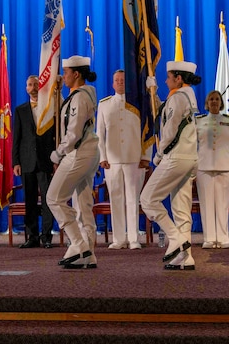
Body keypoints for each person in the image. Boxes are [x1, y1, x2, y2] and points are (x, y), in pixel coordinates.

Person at [140, 60, 201, 271]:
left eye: (168, 77)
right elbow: (167, 114)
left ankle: (175, 239)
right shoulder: (187, 96)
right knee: (181, 210)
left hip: (175, 157)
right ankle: (185, 257)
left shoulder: (178, 98)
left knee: (147, 199)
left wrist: (158, 155)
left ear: (179, 78)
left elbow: (169, 130)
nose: (166, 80)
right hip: (189, 157)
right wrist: (154, 93)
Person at [46, 55, 99, 269]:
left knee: (54, 199)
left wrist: (58, 153)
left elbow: (74, 131)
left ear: (76, 74)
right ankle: (89, 253)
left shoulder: (79, 97)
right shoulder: (79, 95)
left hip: (78, 153)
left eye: (66, 73)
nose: (63, 76)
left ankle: (78, 244)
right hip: (87, 152)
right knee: (84, 204)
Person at [96, 69, 150, 250]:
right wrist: (102, 157)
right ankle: (118, 238)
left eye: (122, 80)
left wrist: (146, 156)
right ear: (112, 84)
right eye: (116, 80)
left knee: (132, 199)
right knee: (116, 199)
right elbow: (100, 134)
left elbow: (147, 132)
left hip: (134, 157)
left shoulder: (138, 104)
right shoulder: (104, 105)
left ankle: (134, 238)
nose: (119, 83)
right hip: (112, 160)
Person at [12, 75, 56, 249]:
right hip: (27, 161)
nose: (33, 87)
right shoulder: (20, 110)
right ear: (26, 88)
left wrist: (56, 159)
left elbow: (55, 138)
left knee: (47, 200)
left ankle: (46, 237)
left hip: (46, 161)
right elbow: (17, 138)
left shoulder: (50, 108)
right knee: (29, 200)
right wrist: (16, 161)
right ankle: (32, 236)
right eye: (30, 84)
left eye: (36, 84)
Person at [195, 90, 229, 249]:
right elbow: (191, 146)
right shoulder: (199, 121)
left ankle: (223, 238)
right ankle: (209, 238)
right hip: (203, 166)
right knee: (206, 203)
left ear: (221, 102)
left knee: (223, 203)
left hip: (225, 167)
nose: (214, 102)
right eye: (211, 99)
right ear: (207, 103)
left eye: (217, 99)